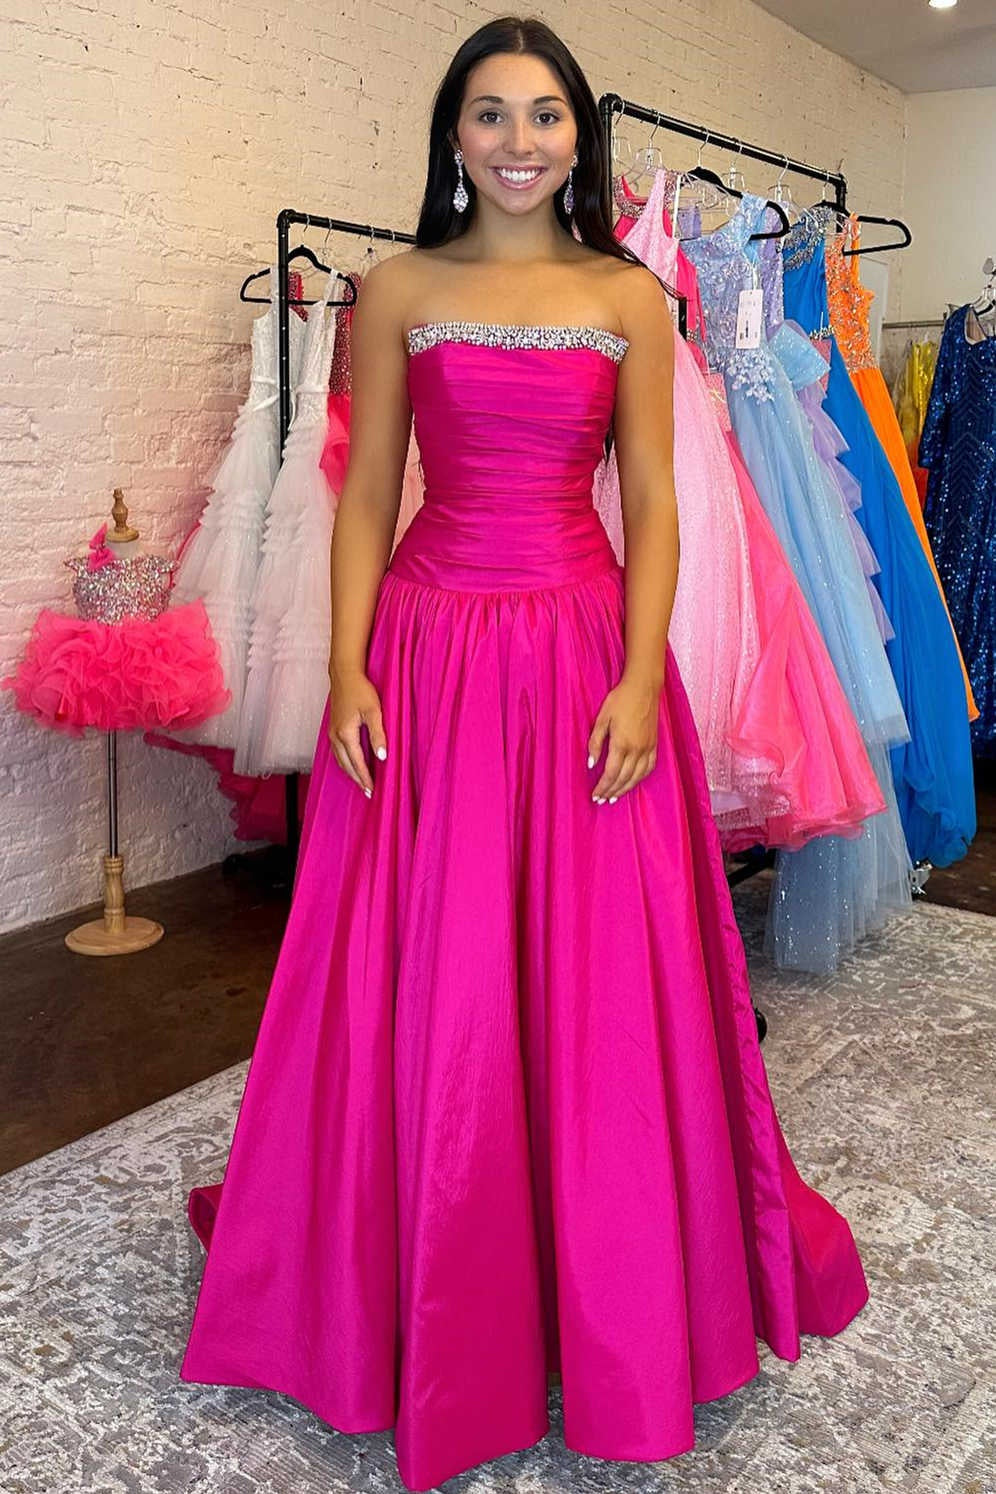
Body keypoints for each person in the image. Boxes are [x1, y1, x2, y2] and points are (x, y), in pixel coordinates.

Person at [179, 17, 869, 1491]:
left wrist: (641, 676)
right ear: (452, 133)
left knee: (595, 968)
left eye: (543, 114)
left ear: (577, 136)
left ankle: (602, 1274)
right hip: (429, 649)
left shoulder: (629, 297)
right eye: (489, 114)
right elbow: (370, 491)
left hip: (574, 652)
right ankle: (425, 1262)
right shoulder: (398, 288)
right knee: (424, 955)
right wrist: (348, 664)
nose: (517, 141)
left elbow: (657, 503)